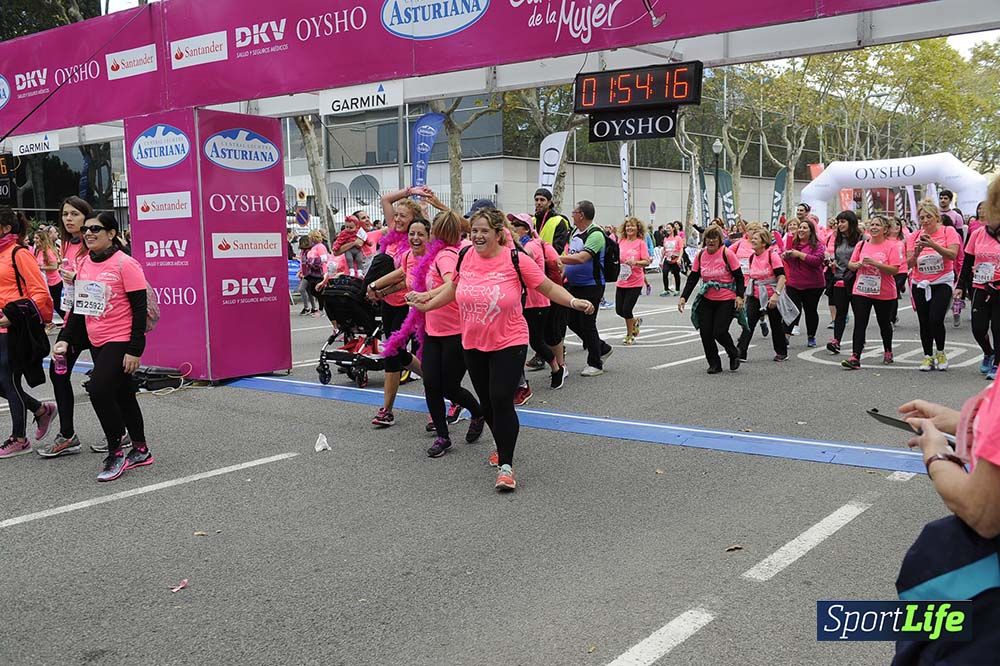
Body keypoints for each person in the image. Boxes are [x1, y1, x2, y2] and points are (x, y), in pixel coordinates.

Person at [408, 207, 594, 491]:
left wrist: (573, 302)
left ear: (498, 234)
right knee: (489, 404)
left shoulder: (515, 259)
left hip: (510, 340)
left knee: (501, 398)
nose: (478, 236)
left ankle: (506, 466)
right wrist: (426, 302)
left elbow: (546, 287)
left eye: (484, 231)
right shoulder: (464, 256)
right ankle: (501, 441)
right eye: (474, 231)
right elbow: (453, 290)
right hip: (473, 341)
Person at [52, 212, 151, 481]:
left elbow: (140, 309)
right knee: (122, 394)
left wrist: (135, 349)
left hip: (120, 339)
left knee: (98, 389)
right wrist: (64, 337)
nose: (89, 233)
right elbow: (79, 308)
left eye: (96, 229)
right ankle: (140, 449)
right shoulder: (83, 263)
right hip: (97, 338)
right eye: (86, 229)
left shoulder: (126, 264)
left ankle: (116, 451)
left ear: (112, 234)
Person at [382, 209, 485, 457]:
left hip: (455, 332)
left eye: (426, 232)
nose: (418, 237)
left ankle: (478, 412)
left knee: (449, 387)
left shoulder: (446, 257)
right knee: (430, 384)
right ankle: (443, 436)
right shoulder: (433, 255)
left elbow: (453, 283)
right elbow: (408, 276)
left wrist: (426, 299)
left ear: (436, 233)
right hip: (433, 331)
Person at [366, 187, 430, 427]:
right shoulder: (392, 235)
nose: (398, 219)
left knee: (402, 356)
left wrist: (378, 288)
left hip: (410, 305)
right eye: (397, 215)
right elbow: (385, 199)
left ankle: (388, 410)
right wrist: (409, 191)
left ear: (414, 222)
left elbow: (403, 278)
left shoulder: (415, 243)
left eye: (404, 216)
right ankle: (437, 384)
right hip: (389, 303)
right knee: (400, 356)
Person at [0, 206, 55, 459]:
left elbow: (39, 292)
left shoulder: (18, 253)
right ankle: (40, 410)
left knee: (9, 380)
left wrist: (12, 316)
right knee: (2, 382)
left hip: (13, 330)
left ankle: (19, 439)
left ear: (6, 228)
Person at [509, 214, 567, 389]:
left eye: (517, 225)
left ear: (526, 228)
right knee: (521, 342)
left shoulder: (531, 245)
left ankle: (557, 368)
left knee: (536, 342)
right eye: (511, 224)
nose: (513, 227)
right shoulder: (529, 243)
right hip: (523, 301)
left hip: (536, 302)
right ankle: (521, 383)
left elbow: (521, 259)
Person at [678, 225, 746, 374]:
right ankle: (714, 363)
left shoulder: (727, 254)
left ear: (720, 239)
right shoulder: (701, 255)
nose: (711, 240)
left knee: (719, 331)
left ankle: (733, 352)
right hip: (707, 298)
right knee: (706, 332)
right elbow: (693, 277)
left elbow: (739, 278)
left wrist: (740, 296)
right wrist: (684, 297)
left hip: (726, 298)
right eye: (708, 237)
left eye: (715, 237)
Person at [841, 215, 905, 370]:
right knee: (860, 323)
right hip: (862, 289)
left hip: (884, 291)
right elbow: (850, 264)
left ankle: (888, 350)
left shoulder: (892, 246)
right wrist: (857, 264)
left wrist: (876, 264)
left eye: (878, 225)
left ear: (885, 229)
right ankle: (855, 356)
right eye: (872, 224)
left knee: (884, 323)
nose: (874, 227)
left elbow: (895, 269)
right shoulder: (862, 244)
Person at [559, 200, 614, 376]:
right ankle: (602, 348)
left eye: (574, 211)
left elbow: (582, 257)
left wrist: (556, 259)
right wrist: (563, 273)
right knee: (571, 320)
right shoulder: (575, 231)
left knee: (588, 323)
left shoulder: (595, 234)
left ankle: (595, 363)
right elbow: (571, 254)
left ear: (581, 215)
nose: (572, 214)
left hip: (592, 285)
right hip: (573, 284)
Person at [906, 199, 962, 371]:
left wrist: (933, 245)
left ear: (937, 217)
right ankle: (927, 356)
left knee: (935, 319)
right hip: (920, 283)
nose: (925, 221)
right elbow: (908, 264)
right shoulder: (913, 236)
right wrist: (917, 252)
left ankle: (941, 352)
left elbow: (952, 255)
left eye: (928, 217)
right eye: (921, 218)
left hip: (942, 281)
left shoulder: (948, 231)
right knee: (924, 321)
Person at [957, 184, 1000, 381]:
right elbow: (967, 262)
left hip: (998, 288)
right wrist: (959, 286)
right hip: (980, 287)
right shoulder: (977, 234)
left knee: (998, 328)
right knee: (979, 328)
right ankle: (988, 352)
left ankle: (997, 364)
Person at [737, 228, 788, 362]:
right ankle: (740, 352)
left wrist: (776, 295)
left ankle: (782, 352)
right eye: (752, 238)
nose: (752, 240)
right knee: (748, 323)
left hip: (771, 295)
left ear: (764, 242)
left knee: (775, 324)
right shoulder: (752, 257)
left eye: (756, 238)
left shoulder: (772, 255)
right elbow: (751, 278)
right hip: (755, 294)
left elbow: (782, 277)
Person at [781, 218, 826, 347]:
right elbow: (789, 262)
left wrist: (799, 254)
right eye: (800, 227)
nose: (801, 229)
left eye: (805, 228)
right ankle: (786, 336)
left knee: (810, 310)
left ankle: (811, 336)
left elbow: (816, 261)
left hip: (813, 285)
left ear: (811, 231)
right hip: (794, 283)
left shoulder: (817, 245)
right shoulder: (792, 243)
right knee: (791, 310)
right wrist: (785, 256)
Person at [824, 211, 862, 355]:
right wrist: (832, 262)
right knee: (841, 312)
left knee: (859, 313)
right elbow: (838, 257)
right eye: (839, 222)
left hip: (857, 279)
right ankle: (836, 341)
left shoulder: (862, 238)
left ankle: (859, 340)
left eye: (843, 222)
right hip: (840, 278)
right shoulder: (837, 239)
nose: (840, 225)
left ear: (851, 223)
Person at [615, 217, 651, 344]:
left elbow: (646, 262)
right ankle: (635, 321)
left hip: (635, 281)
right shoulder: (621, 242)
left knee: (626, 309)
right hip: (622, 279)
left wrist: (635, 262)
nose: (629, 228)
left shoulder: (640, 243)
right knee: (619, 310)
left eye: (632, 226)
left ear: (638, 228)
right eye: (627, 226)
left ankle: (630, 334)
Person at [33, 228, 62, 327]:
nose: (34, 240)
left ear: (42, 239)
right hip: (44, 283)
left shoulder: (48, 251)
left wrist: (40, 267)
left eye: (37, 238)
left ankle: (66, 323)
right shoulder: (37, 251)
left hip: (54, 282)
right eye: (34, 238)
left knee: (58, 306)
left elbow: (54, 266)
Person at [531, 188, 570, 253]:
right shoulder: (532, 221)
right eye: (536, 200)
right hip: (535, 260)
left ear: (549, 203)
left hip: (554, 261)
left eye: (542, 200)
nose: (538, 203)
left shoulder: (559, 221)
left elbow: (559, 248)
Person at [296, 236, 320, 315]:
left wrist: (305, 272)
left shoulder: (309, 252)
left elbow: (309, 263)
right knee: (308, 291)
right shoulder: (303, 252)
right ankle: (314, 308)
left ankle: (307, 308)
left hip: (309, 274)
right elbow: (302, 264)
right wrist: (300, 271)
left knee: (301, 289)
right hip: (305, 273)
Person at [660, 224, 683, 296]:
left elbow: (681, 249)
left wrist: (679, 259)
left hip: (675, 259)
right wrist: (661, 260)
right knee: (665, 273)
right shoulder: (665, 238)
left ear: (673, 229)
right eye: (666, 228)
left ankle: (677, 290)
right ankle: (666, 290)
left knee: (676, 275)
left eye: (669, 228)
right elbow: (664, 249)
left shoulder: (678, 238)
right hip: (667, 259)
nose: (668, 229)